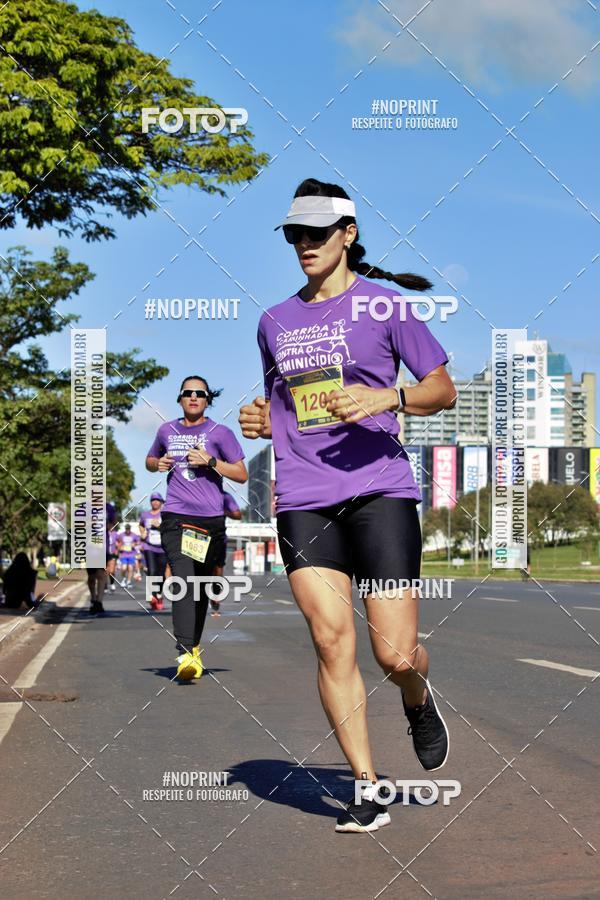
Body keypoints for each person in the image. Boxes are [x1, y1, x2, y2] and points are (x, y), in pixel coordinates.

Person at [239, 178, 457, 834]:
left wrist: (388, 397)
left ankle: (416, 697)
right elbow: (281, 403)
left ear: (348, 234)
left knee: (394, 654)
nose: (304, 244)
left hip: (379, 491)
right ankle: (365, 788)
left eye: (316, 233)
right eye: (294, 235)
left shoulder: (386, 307)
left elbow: (441, 390)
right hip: (304, 498)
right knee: (331, 641)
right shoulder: (274, 321)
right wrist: (261, 417)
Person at [146, 375, 247, 681]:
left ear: (207, 399)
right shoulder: (166, 430)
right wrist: (157, 464)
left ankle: (193, 649)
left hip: (209, 522)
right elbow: (150, 459)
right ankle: (184, 651)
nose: (193, 397)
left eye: (200, 393)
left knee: (200, 587)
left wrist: (211, 461)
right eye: (188, 392)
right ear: (180, 398)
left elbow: (241, 474)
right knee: (183, 580)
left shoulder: (221, 433)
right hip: (176, 517)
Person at [210, 491, 242, 617]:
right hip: (199, 539)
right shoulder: (196, 493)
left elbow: (238, 515)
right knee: (201, 571)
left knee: (217, 570)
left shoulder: (224, 496)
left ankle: (216, 594)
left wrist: (223, 511)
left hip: (219, 539)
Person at [139, 492, 168, 610]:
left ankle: (159, 593)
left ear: (161, 502)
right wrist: (142, 533)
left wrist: (160, 526)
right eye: (153, 500)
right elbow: (141, 525)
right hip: (149, 546)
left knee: (161, 574)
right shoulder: (145, 515)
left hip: (162, 548)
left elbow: (170, 527)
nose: (155, 502)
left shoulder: (165, 514)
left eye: (157, 500)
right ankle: (153, 596)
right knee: (151, 571)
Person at [116, 523, 139, 588]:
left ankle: (128, 581)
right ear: (125, 529)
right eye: (126, 529)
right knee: (124, 568)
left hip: (131, 554)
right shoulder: (121, 535)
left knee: (130, 568)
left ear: (130, 529)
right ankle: (124, 579)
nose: (127, 530)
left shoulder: (134, 535)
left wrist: (134, 544)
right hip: (123, 554)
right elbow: (117, 542)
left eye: (128, 529)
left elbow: (138, 541)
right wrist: (119, 547)